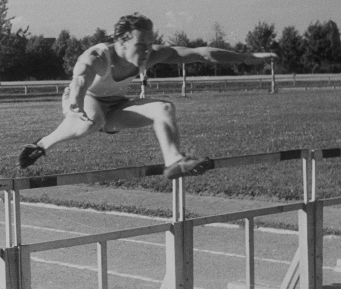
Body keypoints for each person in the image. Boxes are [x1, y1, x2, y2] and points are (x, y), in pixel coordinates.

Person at [18, 13, 277, 179]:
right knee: (91, 120)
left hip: (116, 107)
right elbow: (80, 78)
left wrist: (245, 57)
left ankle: (174, 160)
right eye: (140, 46)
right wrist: (75, 100)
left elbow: (200, 52)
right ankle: (41, 144)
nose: (146, 53)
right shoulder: (99, 56)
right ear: (120, 42)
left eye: (149, 44)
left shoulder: (151, 53)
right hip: (85, 100)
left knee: (164, 108)